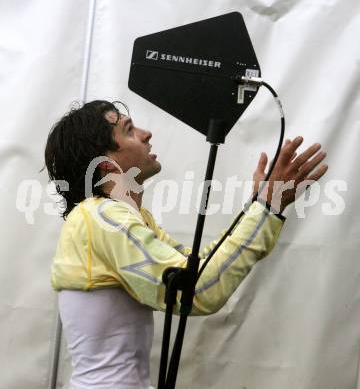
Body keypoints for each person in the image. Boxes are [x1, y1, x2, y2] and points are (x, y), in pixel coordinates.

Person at [45, 100, 328, 389]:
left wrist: (259, 206)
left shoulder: (122, 216)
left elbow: (196, 266)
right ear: (106, 163)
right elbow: (199, 290)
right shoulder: (101, 217)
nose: (146, 134)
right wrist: (267, 207)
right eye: (129, 130)